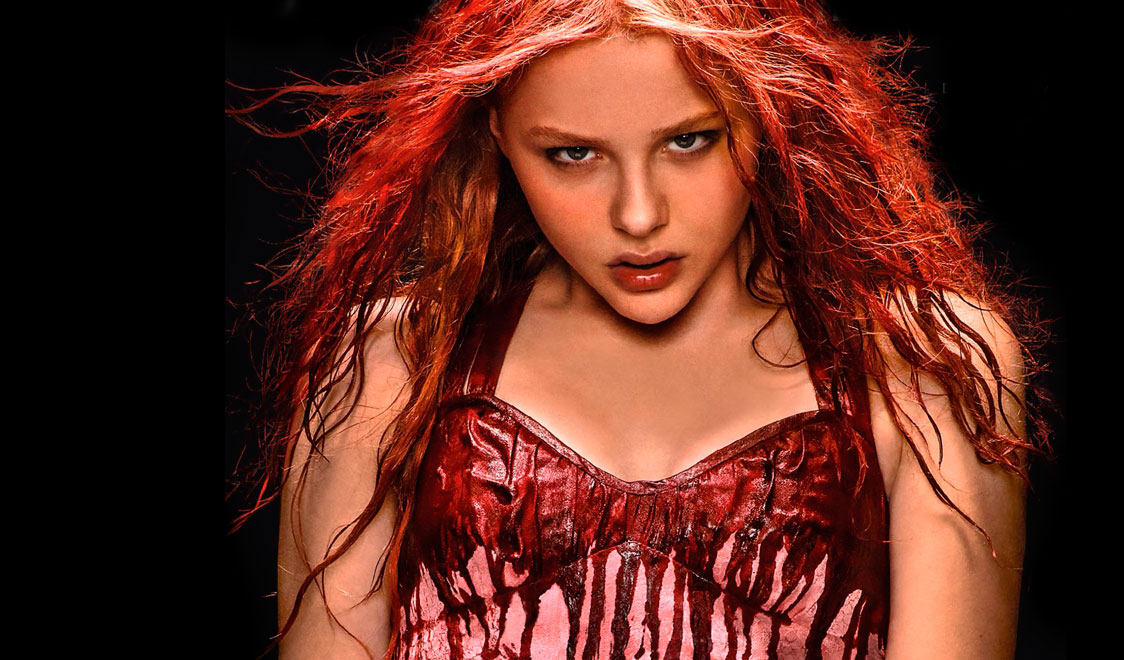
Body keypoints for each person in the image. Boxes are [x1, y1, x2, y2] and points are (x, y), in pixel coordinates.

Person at [227, 1, 1052, 658]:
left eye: (689, 141)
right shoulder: (389, 365)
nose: (638, 214)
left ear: (770, 112)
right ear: (496, 135)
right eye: (572, 155)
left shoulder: (921, 362)